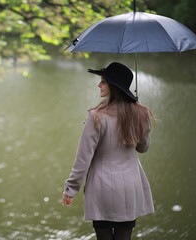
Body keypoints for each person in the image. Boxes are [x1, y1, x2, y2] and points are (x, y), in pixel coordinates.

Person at [62, 62, 155, 240]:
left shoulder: (95, 116)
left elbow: (83, 158)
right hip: (130, 188)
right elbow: (143, 148)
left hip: (101, 189)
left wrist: (71, 188)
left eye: (103, 81)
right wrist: (142, 119)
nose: (99, 85)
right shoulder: (140, 113)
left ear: (114, 86)